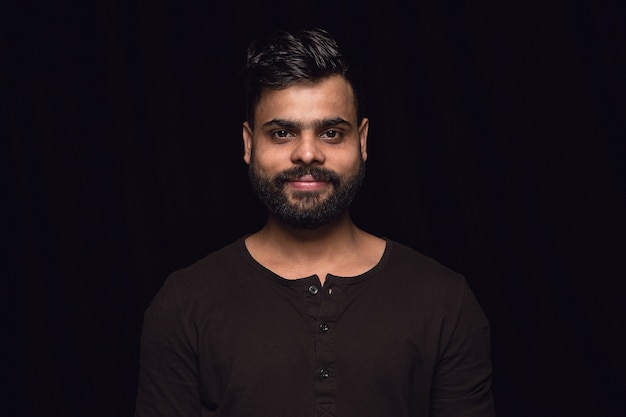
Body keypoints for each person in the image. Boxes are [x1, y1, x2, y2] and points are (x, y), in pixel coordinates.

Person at [135, 28, 495, 417]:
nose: (307, 153)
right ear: (248, 144)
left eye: (330, 133)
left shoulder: (444, 301)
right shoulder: (184, 304)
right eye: (282, 132)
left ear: (362, 141)